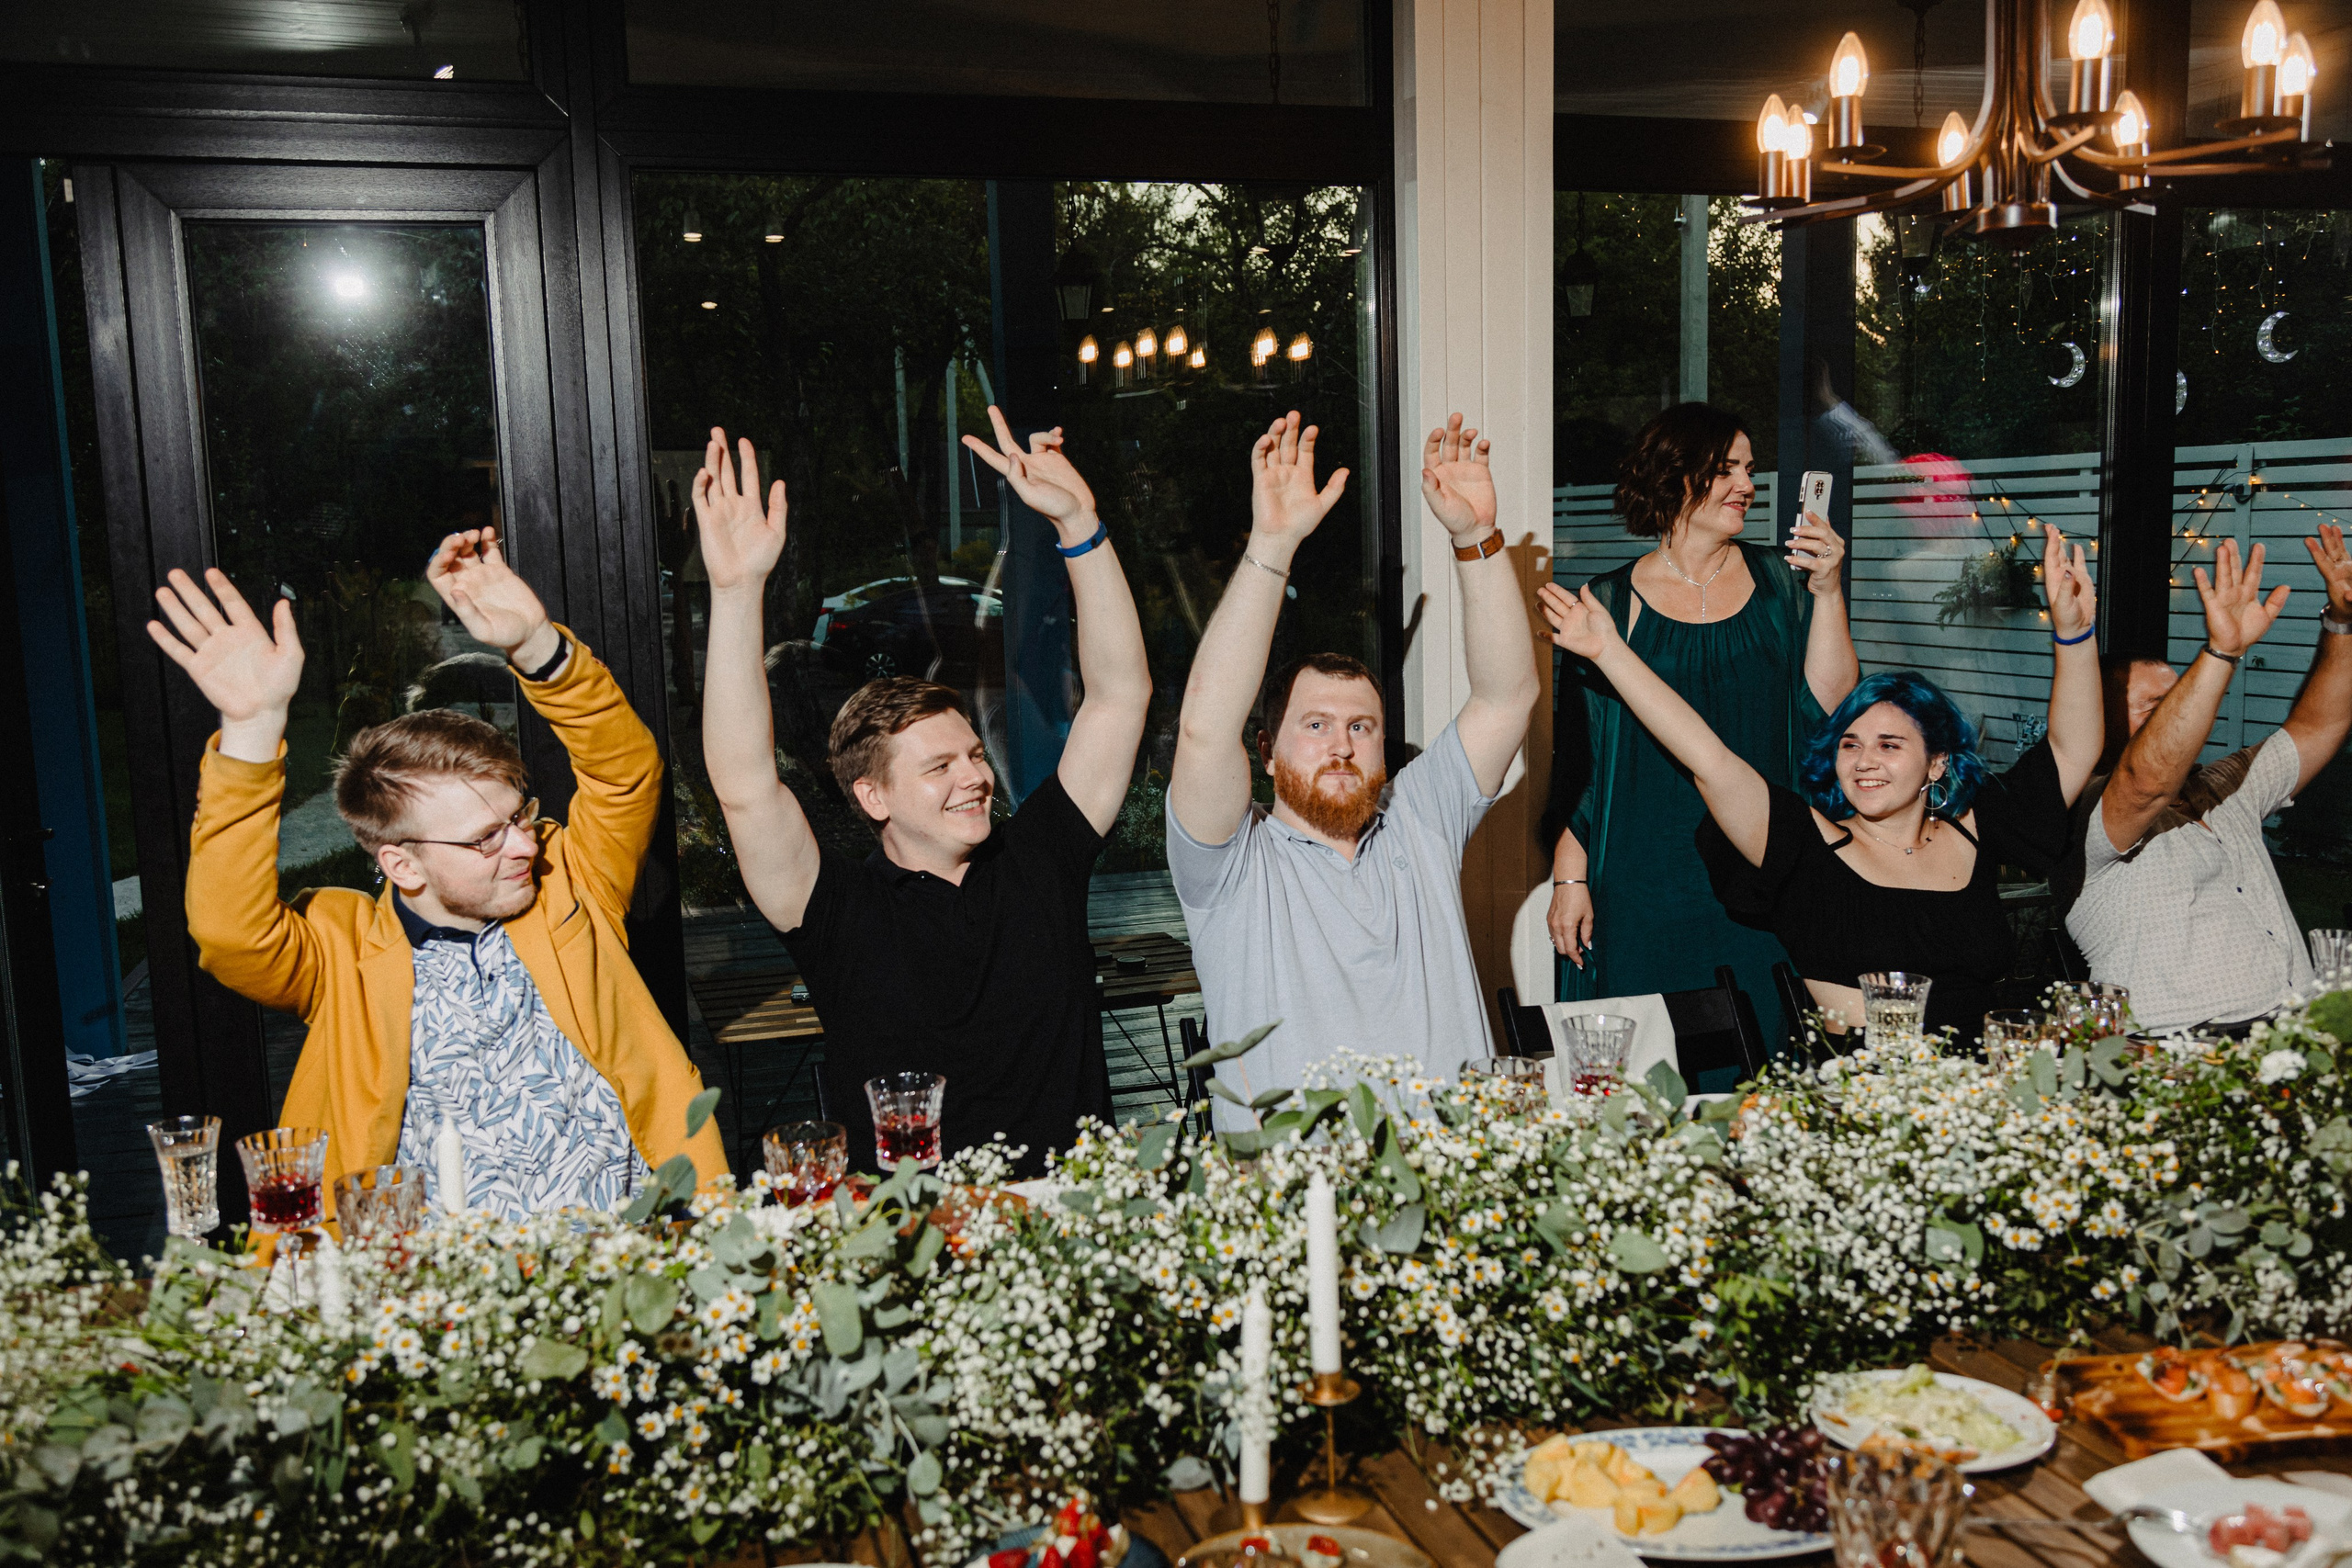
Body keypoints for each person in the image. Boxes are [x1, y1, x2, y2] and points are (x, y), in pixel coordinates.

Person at [156, 532, 726, 1223]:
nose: (523, 845)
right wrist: (251, 729)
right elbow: (229, 931)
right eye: (486, 837)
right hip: (431, 1297)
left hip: (628, 1266)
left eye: (520, 815)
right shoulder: (344, 954)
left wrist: (539, 648)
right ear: (402, 862)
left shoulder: (569, 880)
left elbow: (625, 771)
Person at [694, 414, 1150, 1178]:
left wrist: (1080, 525)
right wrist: (737, 593)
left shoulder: (1040, 857)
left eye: (972, 754)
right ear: (872, 796)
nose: (974, 776)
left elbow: (1119, 695)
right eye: (938, 767)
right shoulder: (836, 912)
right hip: (907, 1246)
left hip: (1069, 1237)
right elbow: (744, 784)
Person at [1539, 521, 2102, 1043]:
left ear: (1936, 763)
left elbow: (2072, 749)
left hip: (1987, 1084)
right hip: (1859, 1097)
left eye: (1890, 745)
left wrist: (2075, 636)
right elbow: (1707, 756)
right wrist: (1610, 653)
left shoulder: (1974, 827)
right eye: (1850, 745)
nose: (1864, 761)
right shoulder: (1805, 846)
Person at [1167, 412, 1538, 1100]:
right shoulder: (1229, 865)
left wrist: (1475, 538)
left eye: (1362, 727)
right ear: (1267, 753)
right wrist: (1274, 546)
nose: (1341, 744)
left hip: (1459, 1180)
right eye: (1315, 724)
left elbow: (1507, 697)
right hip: (1298, 1193)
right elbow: (1202, 731)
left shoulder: (1419, 818)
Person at [1548, 403, 1856, 1043]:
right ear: (1675, 475)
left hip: (1761, 871)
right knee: (1648, 1069)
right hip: (1642, 875)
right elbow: (1583, 763)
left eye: (1749, 468)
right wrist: (1570, 878)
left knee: (1765, 1061)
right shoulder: (1605, 605)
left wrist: (1828, 593)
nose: (1747, 484)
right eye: (1727, 469)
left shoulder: (1782, 582)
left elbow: (1830, 704)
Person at [2064, 531, 2352, 1033]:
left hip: (2295, 1036)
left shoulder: (2224, 787)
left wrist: (2343, 623)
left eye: (2182, 698)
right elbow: (2145, 781)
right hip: (2182, 1052)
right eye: (2155, 708)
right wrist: (2221, 653)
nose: (2186, 712)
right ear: (2101, 723)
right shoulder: (2084, 809)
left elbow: (2319, 725)